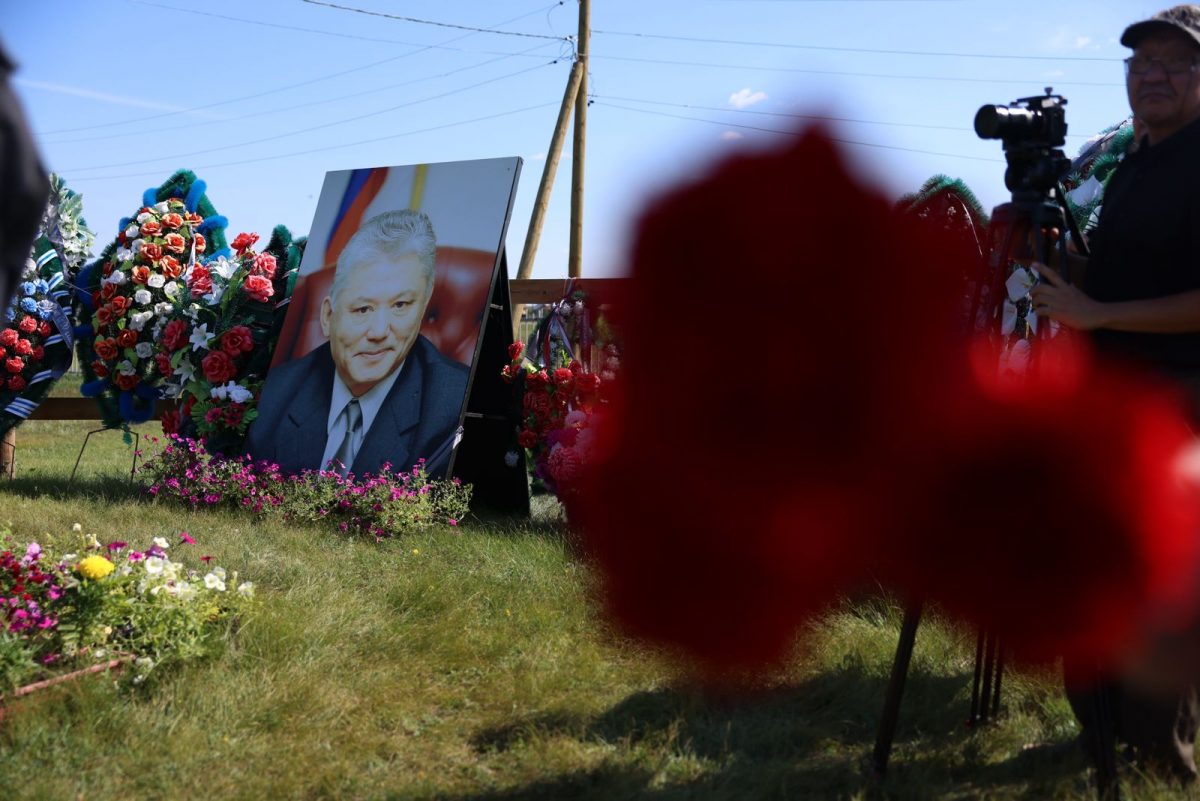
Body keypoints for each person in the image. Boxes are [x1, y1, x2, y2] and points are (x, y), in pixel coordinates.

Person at [1030, 4, 1200, 782]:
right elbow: (1124, 279)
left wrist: (1101, 313)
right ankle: (1100, 736)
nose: (1153, 77)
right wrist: (1068, 274)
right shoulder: (1130, 162)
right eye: (1140, 65)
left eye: (1173, 64)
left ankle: (1163, 753)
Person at [246, 209, 469, 478]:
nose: (378, 332)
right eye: (363, 309)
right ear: (328, 316)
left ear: (423, 306)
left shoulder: (453, 403)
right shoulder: (278, 394)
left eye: (400, 305)